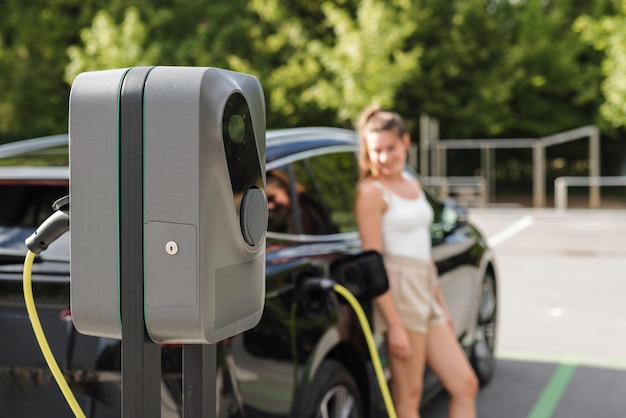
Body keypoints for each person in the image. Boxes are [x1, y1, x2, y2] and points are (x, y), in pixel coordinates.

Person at [354, 105, 478, 418]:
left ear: (406, 142)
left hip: (425, 285)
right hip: (399, 290)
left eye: (391, 148)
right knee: (409, 400)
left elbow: (423, 252)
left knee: (465, 384)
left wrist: (442, 306)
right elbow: (373, 262)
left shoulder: (413, 185)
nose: (384, 157)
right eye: (376, 151)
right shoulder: (371, 192)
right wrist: (394, 326)